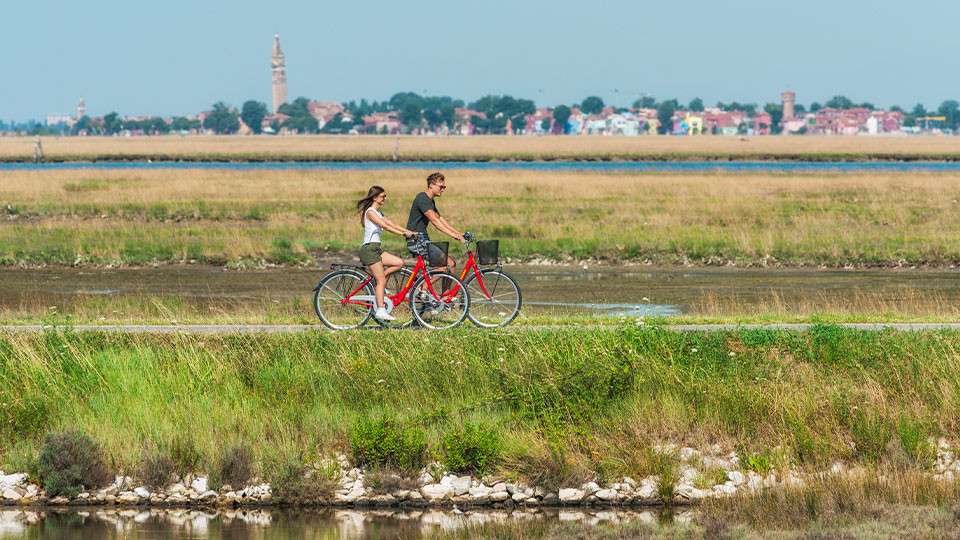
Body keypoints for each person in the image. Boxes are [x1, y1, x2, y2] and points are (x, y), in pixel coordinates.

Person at [356, 186, 415, 321]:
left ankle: (375, 281)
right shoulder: (370, 212)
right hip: (369, 250)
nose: (385, 198)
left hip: (376, 249)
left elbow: (391, 223)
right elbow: (386, 226)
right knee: (382, 280)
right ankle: (381, 310)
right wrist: (403, 234)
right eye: (383, 196)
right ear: (374, 198)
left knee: (399, 263)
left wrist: (409, 232)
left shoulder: (378, 212)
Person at [405, 172, 465, 270]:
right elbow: (434, 220)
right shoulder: (422, 198)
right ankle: (427, 282)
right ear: (431, 185)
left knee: (446, 266)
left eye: (444, 187)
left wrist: (457, 232)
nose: (442, 189)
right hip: (416, 241)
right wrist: (453, 235)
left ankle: (432, 280)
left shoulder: (430, 200)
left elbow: (440, 218)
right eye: (441, 187)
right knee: (450, 265)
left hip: (423, 240)